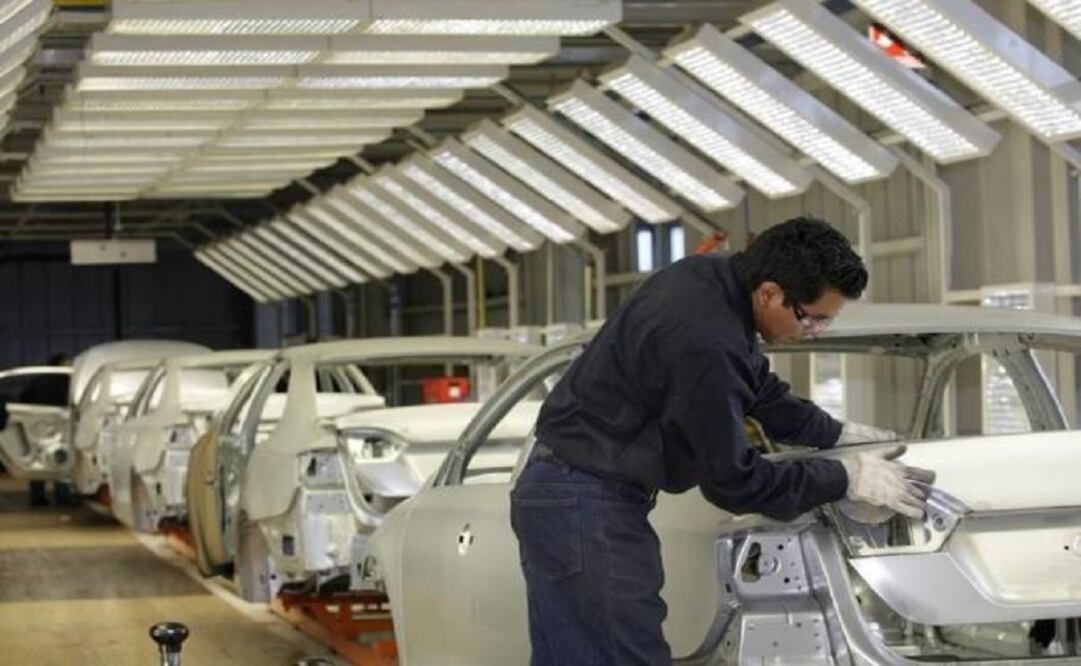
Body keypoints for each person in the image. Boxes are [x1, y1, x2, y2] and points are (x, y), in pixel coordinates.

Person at [511, 217, 935, 665]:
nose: (816, 331)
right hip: (586, 501)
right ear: (770, 293)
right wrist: (843, 478)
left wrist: (834, 433)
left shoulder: (710, 280)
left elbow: (756, 385)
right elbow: (734, 481)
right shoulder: (705, 341)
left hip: (570, 491)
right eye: (812, 319)